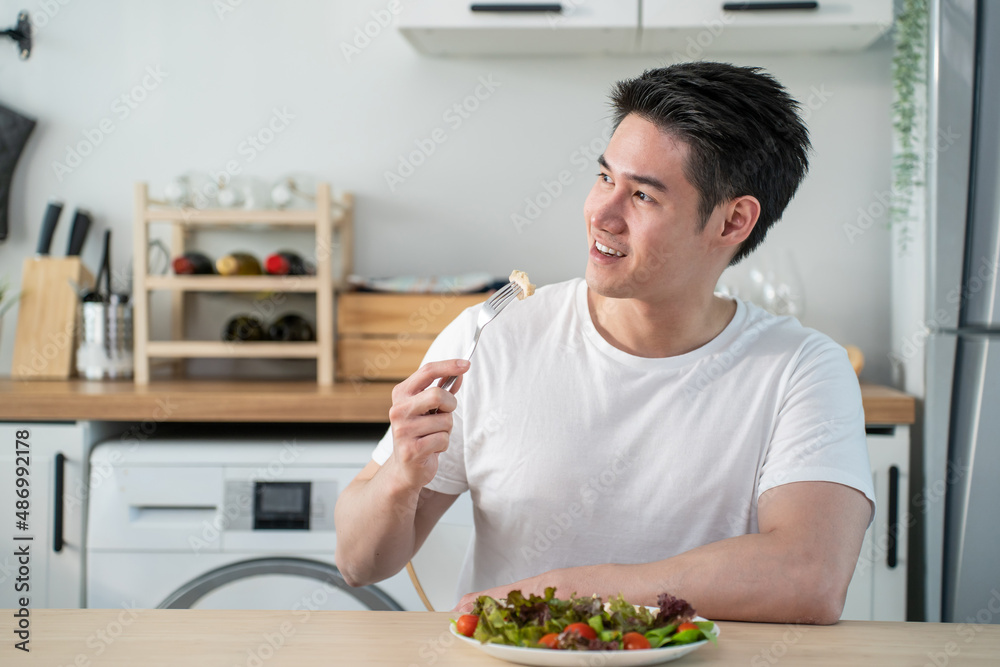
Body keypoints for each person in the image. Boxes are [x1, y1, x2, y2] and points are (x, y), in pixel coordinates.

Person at [334, 62, 874, 625]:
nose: (602, 214)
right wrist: (400, 478)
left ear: (733, 221)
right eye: (604, 179)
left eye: (643, 195)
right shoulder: (490, 338)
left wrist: (579, 591)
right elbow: (359, 563)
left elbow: (809, 576)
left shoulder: (802, 369)